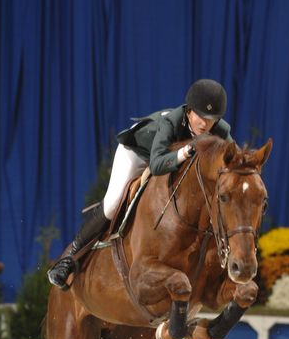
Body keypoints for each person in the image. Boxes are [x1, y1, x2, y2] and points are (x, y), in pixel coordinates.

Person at [47, 79, 233, 289]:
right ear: (189, 111)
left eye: (211, 119)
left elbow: (233, 162)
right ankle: (69, 258)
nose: (205, 124)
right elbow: (156, 164)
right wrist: (185, 152)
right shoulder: (171, 122)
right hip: (139, 154)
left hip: (166, 159)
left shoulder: (220, 131)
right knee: (113, 202)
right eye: (200, 116)